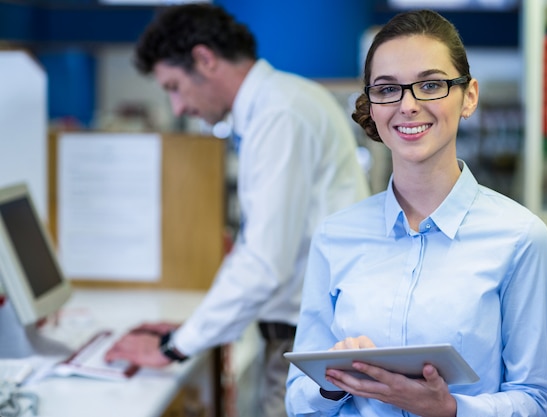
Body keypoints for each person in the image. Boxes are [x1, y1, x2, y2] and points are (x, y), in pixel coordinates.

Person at [285, 9, 547, 417]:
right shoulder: (335, 236)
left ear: (469, 96)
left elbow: (534, 400)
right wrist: (333, 384)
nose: (408, 105)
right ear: (372, 106)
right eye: (387, 89)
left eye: (430, 85)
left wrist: (451, 409)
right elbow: (297, 399)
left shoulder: (520, 239)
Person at [103, 4, 370, 417]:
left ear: (205, 59)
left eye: (174, 86)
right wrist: (190, 328)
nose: (177, 107)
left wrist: (174, 347)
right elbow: (259, 247)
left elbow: (265, 264)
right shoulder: (276, 104)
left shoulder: (278, 113)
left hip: (308, 342)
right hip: (297, 336)